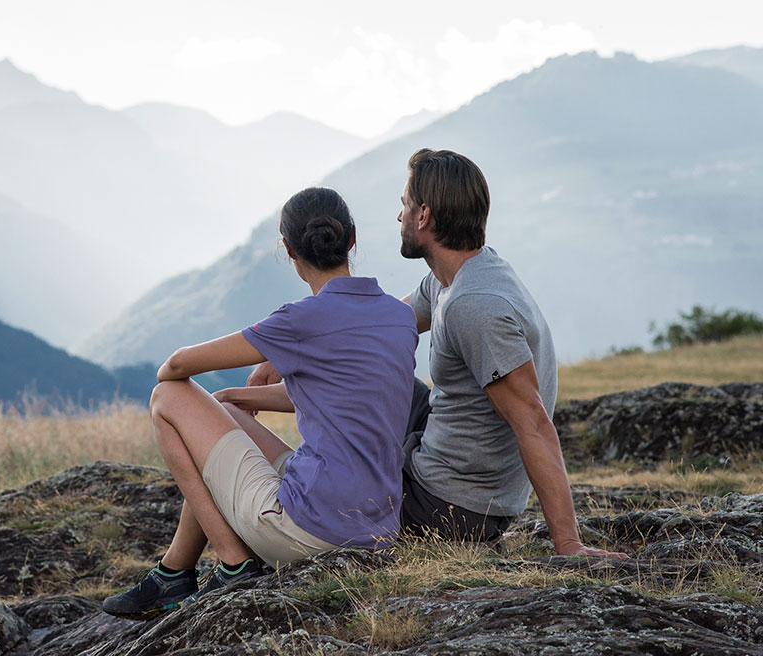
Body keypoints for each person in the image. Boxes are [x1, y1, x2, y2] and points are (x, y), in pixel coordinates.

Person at [101, 187, 418, 619]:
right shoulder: (399, 317)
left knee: (167, 398)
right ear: (353, 238)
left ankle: (233, 562)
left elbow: (174, 368)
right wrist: (230, 398)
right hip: (377, 529)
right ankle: (174, 571)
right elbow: (339, 394)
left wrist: (261, 356)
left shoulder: (298, 320)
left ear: (288, 249)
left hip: (308, 531)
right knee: (221, 409)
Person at [393, 148, 626, 556]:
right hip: (452, 465)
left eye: (404, 206)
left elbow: (532, 421)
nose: (399, 217)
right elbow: (385, 325)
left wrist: (568, 543)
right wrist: (295, 349)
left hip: (451, 508)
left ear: (423, 216)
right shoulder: (458, 275)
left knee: (329, 499)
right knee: (374, 381)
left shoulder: (475, 305)